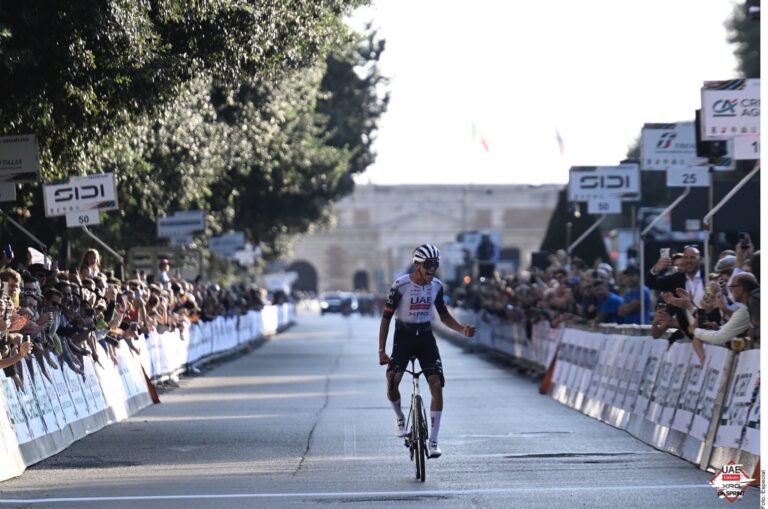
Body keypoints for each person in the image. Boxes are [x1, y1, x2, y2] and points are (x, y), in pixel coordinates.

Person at [378, 244, 476, 459]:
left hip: (425, 338)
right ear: (418, 265)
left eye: (436, 265)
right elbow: (386, 318)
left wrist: (462, 330)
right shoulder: (400, 285)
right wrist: (381, 350)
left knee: (436, 385)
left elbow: (444, 315)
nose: (433, 269)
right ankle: (400, 417)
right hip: (403, 337)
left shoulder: (437, 286)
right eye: (429, 265)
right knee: (393, 379)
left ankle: (434, 440)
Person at [688, 273, 758, 361]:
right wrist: (718, 328)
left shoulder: (745, 311)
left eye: (731, 287)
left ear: (741, 289)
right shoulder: (746, 307)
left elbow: (719, 337)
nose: (730, 291)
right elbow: (727, 330)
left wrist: (695, 331)